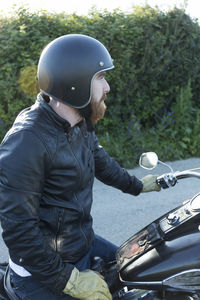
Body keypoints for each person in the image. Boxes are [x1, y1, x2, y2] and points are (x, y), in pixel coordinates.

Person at [0, 34, 160, 300]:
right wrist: (69, 280)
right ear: (74, 83)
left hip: (79, 243)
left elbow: (101, 162)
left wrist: (138, 185)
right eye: (100, 78)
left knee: (145, 271)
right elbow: (19, 230)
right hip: (42, 270)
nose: (107, 87)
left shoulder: (80, 123)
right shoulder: (27, 141)